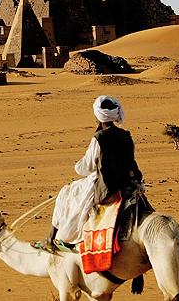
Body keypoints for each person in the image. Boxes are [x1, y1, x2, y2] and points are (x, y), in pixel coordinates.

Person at [33, 95, 142, 252]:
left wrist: (78, 166)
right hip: (130, 183)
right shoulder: (126, 136)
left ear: (98, 117)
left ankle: (53, 238)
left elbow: (87, 166)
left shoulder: (99, 138)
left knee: (67, 192)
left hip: (108, 187)